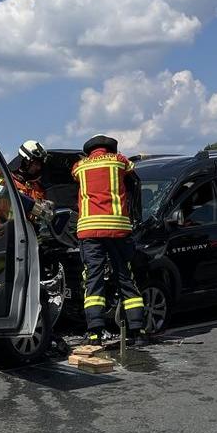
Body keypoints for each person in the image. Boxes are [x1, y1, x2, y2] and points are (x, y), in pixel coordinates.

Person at [72, 134, 146, 343]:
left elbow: (74, 178)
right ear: (111, 149)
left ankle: (95, 331)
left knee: (93, 278)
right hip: (117, 229)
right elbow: (133, 172)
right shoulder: (119, 160)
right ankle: (137, 330)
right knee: (125, 276)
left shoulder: (79, 166)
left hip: (89, 230)